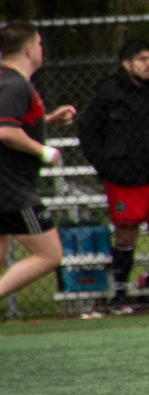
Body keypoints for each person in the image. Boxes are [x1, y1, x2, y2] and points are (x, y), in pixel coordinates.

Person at [77, 38, 149, 311]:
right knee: (126, 235)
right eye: (142, 59)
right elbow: (88, 134)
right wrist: (108, 168)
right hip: (126, 181)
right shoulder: (108, 94)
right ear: (126, 64)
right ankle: (119, 295)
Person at [0, 22, 77, 312]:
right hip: (12, 187)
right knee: (49, 255)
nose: (42, 50)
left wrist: (46, 121)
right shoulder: (16, 84)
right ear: (30, 49)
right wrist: (44, 151)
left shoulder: (7, 81)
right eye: (40, 44)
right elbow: (5, 131)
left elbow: (13, 121)